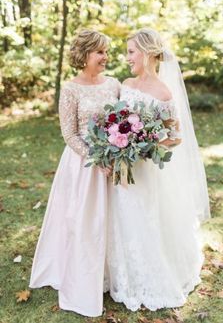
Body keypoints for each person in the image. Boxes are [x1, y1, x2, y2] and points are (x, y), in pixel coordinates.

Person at [105, 28, 211, 311]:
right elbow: (115, 121)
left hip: (145, 169)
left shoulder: (164, 92)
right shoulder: (125, 83)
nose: (127, 57)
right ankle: (121, 274)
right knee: (121, 216)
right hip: (121, 166)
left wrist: (145, 147)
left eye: (131, 52)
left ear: (148, 53)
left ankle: (148, 277)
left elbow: (175, 137)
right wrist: (118, 143)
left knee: (143, 218)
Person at [29, 29, 120, 317]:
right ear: (84, 55)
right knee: (82, 221)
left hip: (114, 162)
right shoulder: (70, 88)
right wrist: (97, 157)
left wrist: (116, 155)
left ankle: (112, 276)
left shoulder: (115, 84)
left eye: (106, 51)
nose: (106, 57)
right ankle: (79, 274)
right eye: (100, 52)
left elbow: (124, 123)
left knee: (115, 219)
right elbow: (69, 134)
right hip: (83, 165)